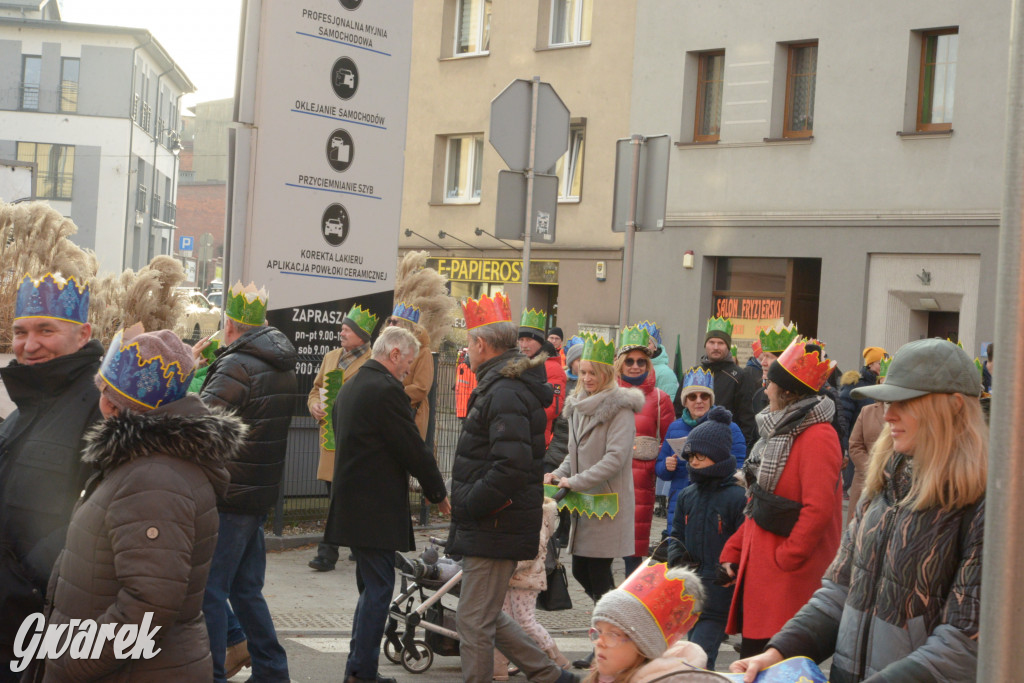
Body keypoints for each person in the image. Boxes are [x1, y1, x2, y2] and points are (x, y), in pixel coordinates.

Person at [732, 338, 987, 683]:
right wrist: (777, 653)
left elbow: (965, 640)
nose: (888, 414)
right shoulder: (885, 483)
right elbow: (839, 591)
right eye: (886, 402)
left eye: (904, 402)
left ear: (955, 406)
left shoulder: (985, 506)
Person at [38, 325, 244, 680]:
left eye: (103, 391)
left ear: (112, 403)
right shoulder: (146, 464)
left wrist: (72, 662)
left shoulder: (154, 477)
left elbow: (150, 604)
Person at [447, 292, 575, 683]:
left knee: (472, 621)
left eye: (469, 342)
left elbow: (510, 466)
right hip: (494, 521)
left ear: (482, 345)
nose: (467, 351)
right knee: (484, 615)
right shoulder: (504, 385)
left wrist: (468, 503)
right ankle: (551, 675)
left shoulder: (503, 390)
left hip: (493, 521)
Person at [322, 326, 450, 683]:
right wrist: (438, 493)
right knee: (379, 592)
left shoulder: (351, 386)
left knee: (370, 591)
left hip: (352, 505)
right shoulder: (385, 390)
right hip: (374, 509)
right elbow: (412, 447)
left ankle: (357, 668)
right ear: (394, 354)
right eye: (407, 362)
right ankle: (362, 672)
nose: (408, 370)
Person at [0, 272, 102, 680]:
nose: (30, 344)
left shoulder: (101, 403)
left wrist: (21, 582)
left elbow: (98, 513)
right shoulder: (26, 405)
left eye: (46, 330)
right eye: (20, 332)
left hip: (42, 617)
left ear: (83, 334)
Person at [198, 281, 297, 683]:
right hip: (256, 494)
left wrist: (196, 372)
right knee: (245, 591)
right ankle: (273, 671)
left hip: (229, 494)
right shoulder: (278, 363)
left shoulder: (237, 365)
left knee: (209, 592)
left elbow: (202, 422)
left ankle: (212, 675)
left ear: (231, 326)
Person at [720, 337, 843, 659]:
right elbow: (759, 502)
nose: (765, 389)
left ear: (786, 392)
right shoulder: (777, 432)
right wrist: (734, 550)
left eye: (769, 383)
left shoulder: (819, 435)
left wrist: (788, 557)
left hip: (788, 580)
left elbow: (819, 509)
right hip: (766, 575)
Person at [547, 335, 642, 671]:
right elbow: (573, 455)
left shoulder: (620, 408)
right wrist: (557, 474)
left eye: (592, 373)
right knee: (582, 570)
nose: (585, 378)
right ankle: (616, 634)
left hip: (607, 505)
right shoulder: (578, 406)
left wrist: (574, 481)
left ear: (606, 374)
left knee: (597, 575)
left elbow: (615, 459)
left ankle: (615, 639)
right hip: (585, 504)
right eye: (582, 372)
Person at [666, 406, 746, 670]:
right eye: (691, 457)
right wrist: (677, 558)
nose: (695, 462)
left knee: (698, 659)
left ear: (719, 456)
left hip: (719, 595)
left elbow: (745, 544)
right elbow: (675, 534)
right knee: (694, 656)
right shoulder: (688, 495)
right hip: (690, 594)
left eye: (701, 456)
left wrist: (731, 571)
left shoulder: (736, 497)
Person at [307, 303, 378, 572]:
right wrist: (313, 405)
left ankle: (330, 553)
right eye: (342, 329)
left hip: (355, 439)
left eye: (347, 329)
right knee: (336, 495)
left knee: (345, 496)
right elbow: (315, 389)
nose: (342, 333)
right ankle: (353, 548)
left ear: (362, 335)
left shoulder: (372, 362)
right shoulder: (331, 357)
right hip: (330, 438)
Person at [584, 561, 706, 682]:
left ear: (644, 647)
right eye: (598, 631)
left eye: (613, 634)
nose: (599, 642)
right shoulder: (602, 677)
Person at [615, 325, 674, 575]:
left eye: (641, 361)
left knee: (634, 547)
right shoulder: (608, 394)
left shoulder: (661, 399)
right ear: (620, 363)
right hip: (609, 477)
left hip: (642, 478)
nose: (635, 366)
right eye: (629, 361)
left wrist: (653, 458)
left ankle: (630, 599)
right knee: (600, 546)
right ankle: (603, 599)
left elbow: (670, 439)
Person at [656, 367, 745, 532]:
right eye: (692, 396)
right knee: (679, 549)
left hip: (716, 502)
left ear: (711, 400)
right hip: (680, 503)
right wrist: (666, 466)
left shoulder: (730, 428)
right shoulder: (675, 427)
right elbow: (661, 469)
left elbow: (738, 469)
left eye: (704, 396)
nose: (698, 401)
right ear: (685, 401)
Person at [493, 497, 570, 680]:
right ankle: (499, 665)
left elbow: (531, 550)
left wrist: (506, 563)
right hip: (508, 574)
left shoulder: (535, 514)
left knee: (525, 621)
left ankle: (556, 658)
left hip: (527, 576)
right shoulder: (518, 510)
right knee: (504, 621)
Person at [673, 317, 758, 453]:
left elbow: (747, 419)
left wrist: (741, 451)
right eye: (712, 342)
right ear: (706, 344)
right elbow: (679, 408)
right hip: (694, 446)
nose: (716, 347)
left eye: (721, 343)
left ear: (728, 346)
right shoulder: (692, 373)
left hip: (725, 446)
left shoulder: (740, 376)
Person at [846, 356, 890, 516]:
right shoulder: (867, 411)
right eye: (884, 381)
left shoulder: (906, 415)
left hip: (891, 485)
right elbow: (855, 444)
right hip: (864, 480)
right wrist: (873, 469)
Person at [518, 307, 567, 446]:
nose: (524, 344)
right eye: (521, 339)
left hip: (536, 436)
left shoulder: (554, 369)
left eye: (528, 340)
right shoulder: (518, 363)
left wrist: (523, 417)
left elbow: (554, 407)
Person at [384, 302, 434, 439]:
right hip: (386, 413)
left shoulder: (423, 352)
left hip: (409, 416)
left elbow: (421, 388)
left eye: (394, 322)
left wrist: (391, 394)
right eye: (389, 321)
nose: (389, 325)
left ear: (406, 327)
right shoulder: (385, 349)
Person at [640, 321, 679, 399]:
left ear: (655, 347)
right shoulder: (633, 369)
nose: (643, 346)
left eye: (647, 343)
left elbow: (668, 403)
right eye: (640, 343)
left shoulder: (665, 373)